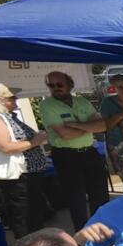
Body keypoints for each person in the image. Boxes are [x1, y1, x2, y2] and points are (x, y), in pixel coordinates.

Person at [0, 83, 50, 239]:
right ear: (1, 100)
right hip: (17, 175)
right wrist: (36, 140)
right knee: (23, 214)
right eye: (11, 97)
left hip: (27, 172)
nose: (16, 99)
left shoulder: (6, 116)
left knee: (33, 211)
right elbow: (6, 147)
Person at [39, 70, 110, 230]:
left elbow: (102, 126)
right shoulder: (47, 105)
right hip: (66, 155)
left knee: (100, 193)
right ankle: (83, 236)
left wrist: (76, 125)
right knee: (75, 198)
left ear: (69, 84)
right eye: (51, 85)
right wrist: (88, 127)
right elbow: (65, 135)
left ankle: (102, 229)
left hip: (89, 152)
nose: (55, 88)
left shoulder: (82, 102)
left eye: (59, 84)